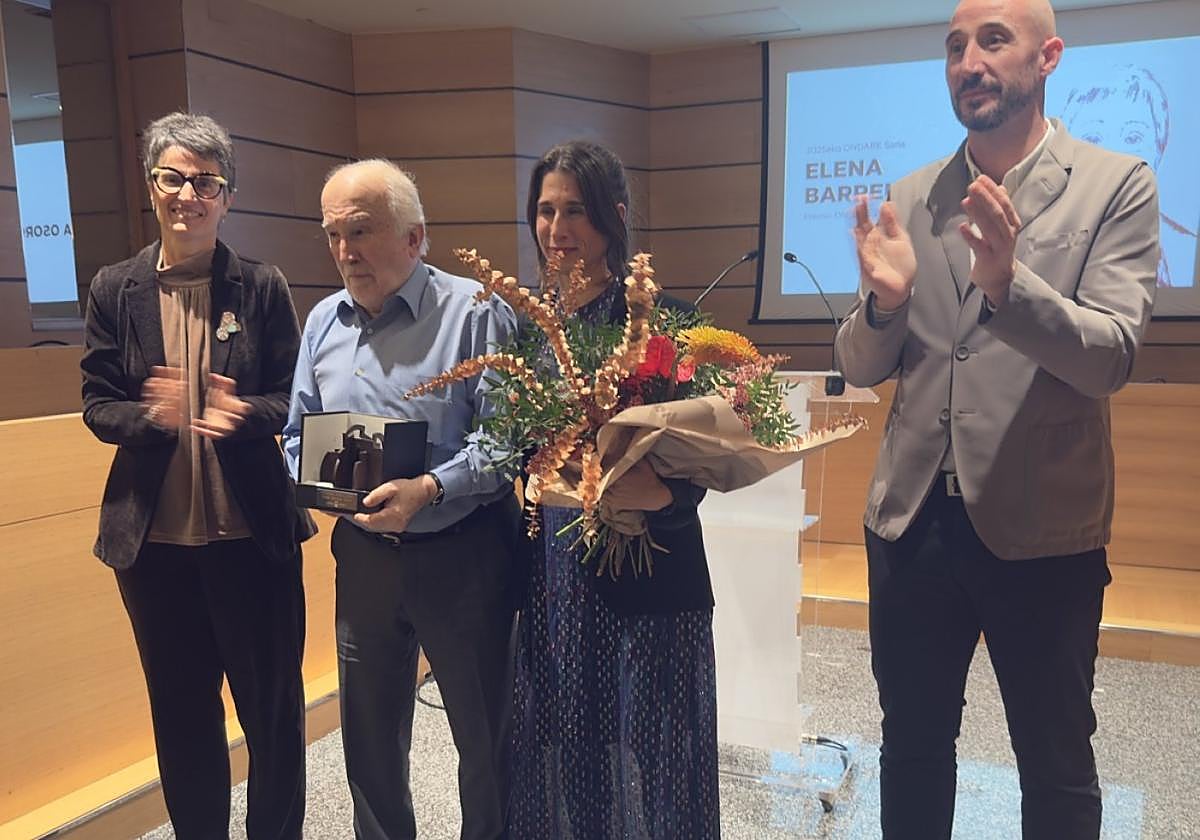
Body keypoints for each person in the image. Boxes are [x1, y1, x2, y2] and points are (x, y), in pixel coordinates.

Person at [835, 0, 1158, 837]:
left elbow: (1109, 357)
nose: (968, 61)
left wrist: (1012, 288)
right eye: (953, 46)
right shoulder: (911, 196)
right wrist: (884, 304)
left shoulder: (1116, 184)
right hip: (909, 525)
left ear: (1048, 56)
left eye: (992, 40)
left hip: (1043, 527)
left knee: (1054, 764)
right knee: (909, 748)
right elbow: (861, 368)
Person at [80, 112, 313, 839]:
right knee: (182, 718)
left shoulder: (262, 286)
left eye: (205, 181)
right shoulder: (115, 289)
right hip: (154, 553)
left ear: (227, 195)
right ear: (152, 187)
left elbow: (292, 397)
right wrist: (150, 419)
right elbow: (95, 401)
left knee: (272, 715)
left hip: (253, 541)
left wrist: (240, 412)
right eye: (174, 177)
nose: (190, 193)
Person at [282, 159, 522, 840]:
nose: (344, 252)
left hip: (463, 555)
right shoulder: (323, 322)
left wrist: (433, 487)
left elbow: (507, 442)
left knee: (484, 744)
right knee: (370, 743)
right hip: (364, 562)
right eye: (332, 234)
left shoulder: (477, 313)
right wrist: (318, 486)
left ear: (414, 238)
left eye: (360, 231)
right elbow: (295, 431)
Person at [507, 140, 721, 839]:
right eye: (544, 210)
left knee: (660, 759)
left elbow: (705, 454)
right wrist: (528, 477)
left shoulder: (665, 323)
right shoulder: (527, 331)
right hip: (554, 585)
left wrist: (657, 497)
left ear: (613, 217)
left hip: (652, 575)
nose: (556, 227)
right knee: (573, 759)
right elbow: (512, 444)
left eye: (575, 209)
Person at [1062, 64, 1196, 286]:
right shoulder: (1042, 248)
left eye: (1133, 138)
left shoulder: (1185, 247)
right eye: (1093, 137)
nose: (1114, 154)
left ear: (1159, 147)